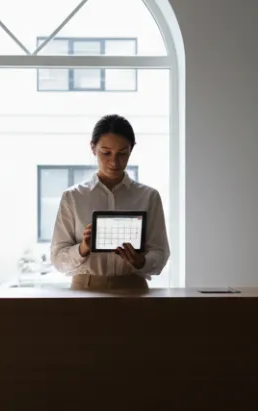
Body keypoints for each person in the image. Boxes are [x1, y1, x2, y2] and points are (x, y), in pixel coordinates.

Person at [50, 114, 170, 290]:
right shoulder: (73, 197)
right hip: (84, 291)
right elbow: (58, 259)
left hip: (134, 290)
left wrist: (141, 261)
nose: (114, 162)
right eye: (106, 153)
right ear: (93, 148)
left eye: (122, 153)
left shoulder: (148, 196)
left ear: (132, 149)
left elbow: (160, 254)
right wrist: (83, 248)